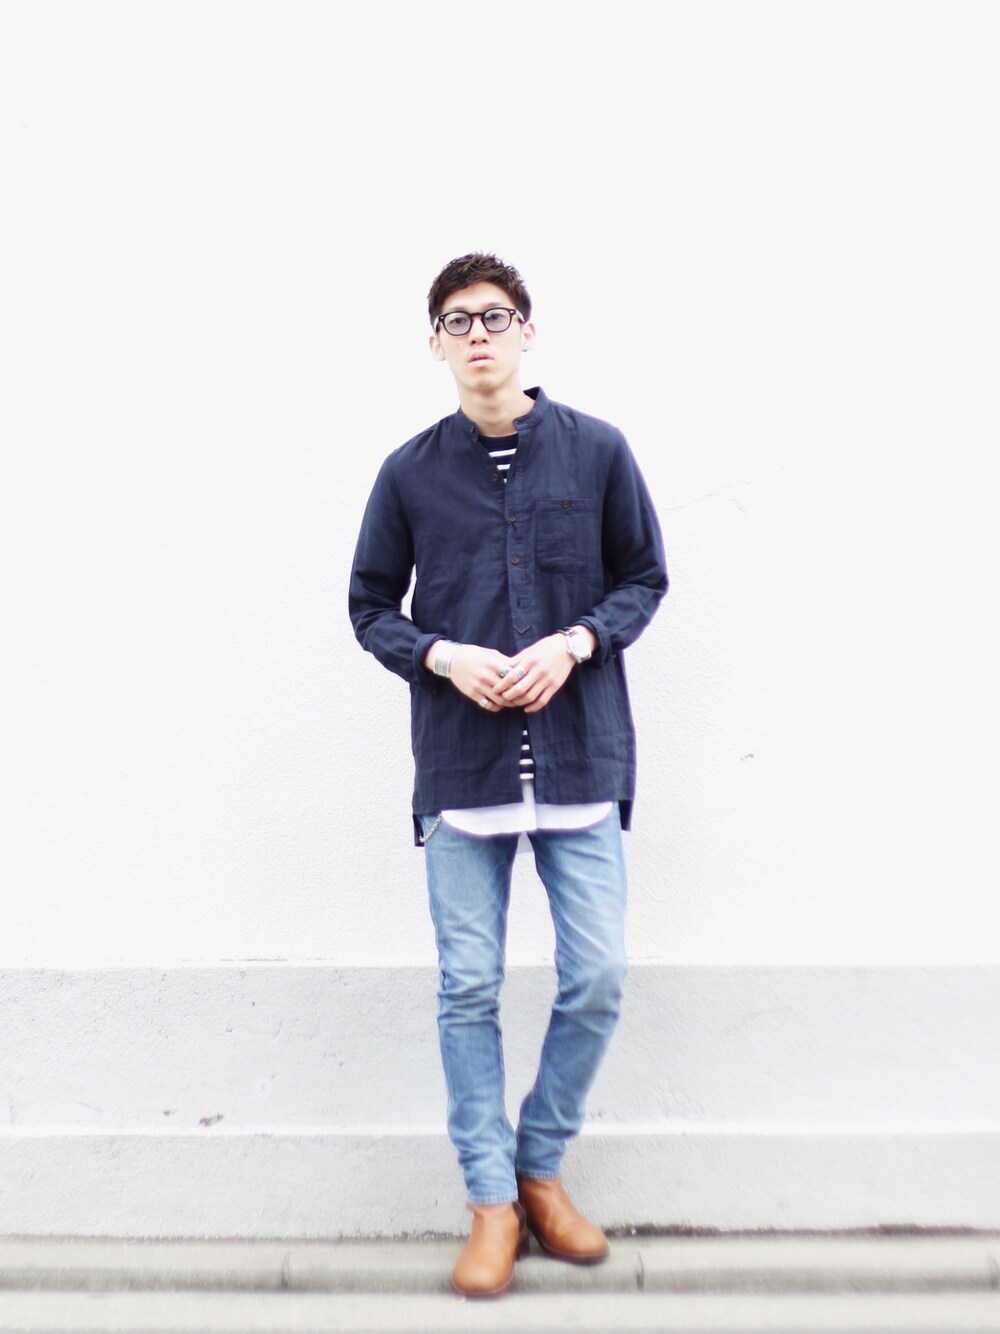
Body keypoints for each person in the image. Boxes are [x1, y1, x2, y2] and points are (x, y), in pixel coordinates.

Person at [348, 252, 667, 1298]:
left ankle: (539, 1166)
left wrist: (576, 642)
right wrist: (441, 655)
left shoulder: (598, 450)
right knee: (469, 986)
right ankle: (491, 1200)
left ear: (527, 331)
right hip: (462, 763)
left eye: (495, 316)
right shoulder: (407, 473)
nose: (477, 334)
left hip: (579, 754)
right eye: (458, 320)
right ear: (434, 343)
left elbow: (642, 577)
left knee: (598, 974)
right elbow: (369, 606)